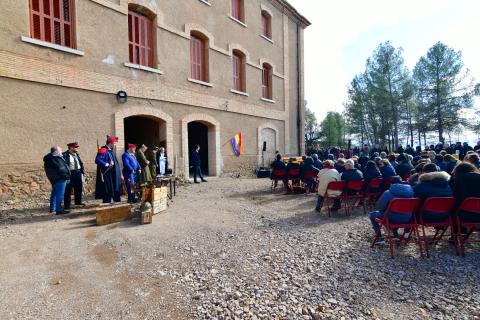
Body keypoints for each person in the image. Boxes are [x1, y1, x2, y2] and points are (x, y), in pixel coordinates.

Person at [369, 176, 414, 243]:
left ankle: (379, 238)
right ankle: (395, 233)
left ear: (391, 184)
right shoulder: (411, 192)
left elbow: (380, 206)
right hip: (407, 218)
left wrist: (383, 214)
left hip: (391, 218)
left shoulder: (388, 193)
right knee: (394, 213)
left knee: (372, 215)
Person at [43, 146, 71, 215]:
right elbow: (61, 169)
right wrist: (66, 176)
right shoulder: (55, 159)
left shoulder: (51, 158)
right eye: (60, 150)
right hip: (60, 179)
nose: (61, 151)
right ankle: (59, 210)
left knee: (54, 194)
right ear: (56, 152)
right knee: (60, 195)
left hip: (55, 179)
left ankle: (53, 208)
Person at [95, 137, 122, 203]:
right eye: (114, 143)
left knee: (116, 189)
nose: (115, 145)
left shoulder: (111, 150)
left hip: (114, 174)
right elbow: (97, 160)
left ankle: (117, 203)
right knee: (108, 191)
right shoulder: (103, 150)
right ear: (110, 143)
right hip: (108, 174)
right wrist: (106, 164)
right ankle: (107, 204)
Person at [63, 142, 85, 209]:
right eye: (75, 147)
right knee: (68, 190)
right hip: (70, 173)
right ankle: (67, 205)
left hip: (78, 172)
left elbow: (80, 163)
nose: (77, 148)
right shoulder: (65, 155)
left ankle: (78, 202)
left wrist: (82, 172)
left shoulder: (76, 154)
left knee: (78, 188)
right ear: (71, 148)